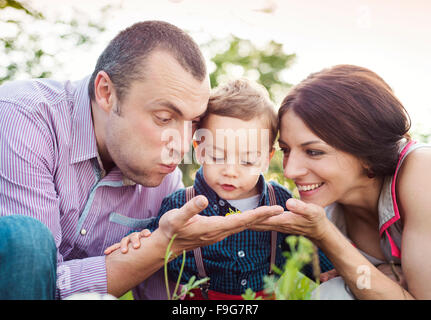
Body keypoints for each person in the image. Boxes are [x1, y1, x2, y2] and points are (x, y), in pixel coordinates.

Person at [0, 21, 284, 300]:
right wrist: (160, 246)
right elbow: (32, 276)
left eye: (193, 123)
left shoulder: (165, 180)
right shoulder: (23, 119)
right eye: (164, 118)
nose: (183, 145)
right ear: (106, 93)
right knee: (27, 238)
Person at [106, 79, 334, 299]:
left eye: (247, 161)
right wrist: (138, 241)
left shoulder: (280, 201)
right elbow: (159, 251)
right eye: (217, 156)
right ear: (200, 150)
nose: (230, 171)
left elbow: (304, 249)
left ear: (266, 159)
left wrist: (327, 270)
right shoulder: (181, 204)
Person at [255, 64, 431, 299]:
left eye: (314, 152)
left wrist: (326, 235)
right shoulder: (325, 204)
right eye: (286, 150)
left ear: (366, 152)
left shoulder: (421, 169)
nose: (290, 170)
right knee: (334, 292)